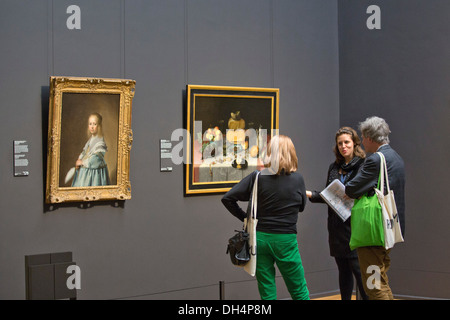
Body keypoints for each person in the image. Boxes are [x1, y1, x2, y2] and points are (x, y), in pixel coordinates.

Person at [221, 134, 310, 300]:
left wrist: (245, 218)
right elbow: (302, 207)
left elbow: (227, 198)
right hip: (286, 240)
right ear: (291, 153)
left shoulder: (257, 177)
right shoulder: (298, 179)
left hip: (260, 239)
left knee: (267, 291)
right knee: (299, 290)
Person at [345, 116, 406, 300]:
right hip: (389, 227)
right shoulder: (396, 158)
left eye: (363, 138)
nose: (362, 142)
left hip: (373, 230)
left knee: (373, 285)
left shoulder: (375, 160)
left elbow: (351, 188)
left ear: (370, 138)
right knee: (380, 279)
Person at [306, 127, 369, 300]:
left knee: (359, 271)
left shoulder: (363, 165)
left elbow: (361, 193)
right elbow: (330, 196)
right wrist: (310, 194)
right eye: (340, 143)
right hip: (336, 227)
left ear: (355, 143)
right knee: (343, 271)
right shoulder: (333, 167)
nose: (343, 146)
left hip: (355, 225)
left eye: (347, 142)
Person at [71, 112, 111, 187]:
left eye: (94, 124)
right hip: (86, 172)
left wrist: (82, 162)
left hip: (95, 174)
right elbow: (85, 151)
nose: (92, 127)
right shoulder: (91, 139)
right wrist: (79, 159)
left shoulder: (100, 142)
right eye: (90, 124)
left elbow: (95, 160)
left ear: (99, 126)